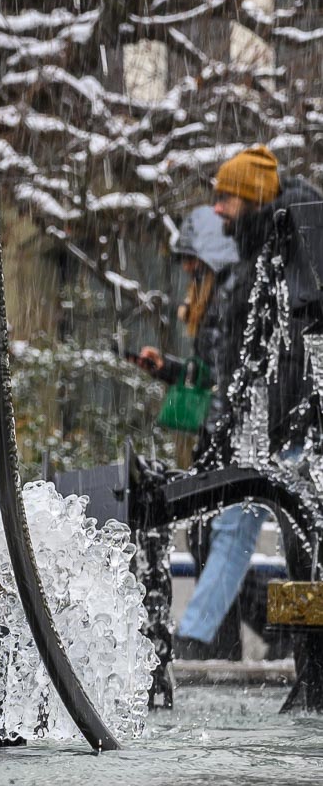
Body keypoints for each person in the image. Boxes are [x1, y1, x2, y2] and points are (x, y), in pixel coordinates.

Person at [172, 145, 320, 657]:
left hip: (293, 424)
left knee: (301, 536)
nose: (218, 209)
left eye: (227, 198)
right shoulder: (258, 255)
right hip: (264, 425)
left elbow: (288, 346)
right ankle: (197, 636)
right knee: (240, 526)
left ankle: (293, 646)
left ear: (253, 198)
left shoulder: (288, 247)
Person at [134, 205, 237, 451]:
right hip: (219, 433)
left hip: (226, 436)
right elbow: (209, 372)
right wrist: (165, 367)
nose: (186, 267)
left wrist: (212, 439)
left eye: (191, 259)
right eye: (183, 259)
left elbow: (226, 380)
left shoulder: (226, 303)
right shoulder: (209, 304)